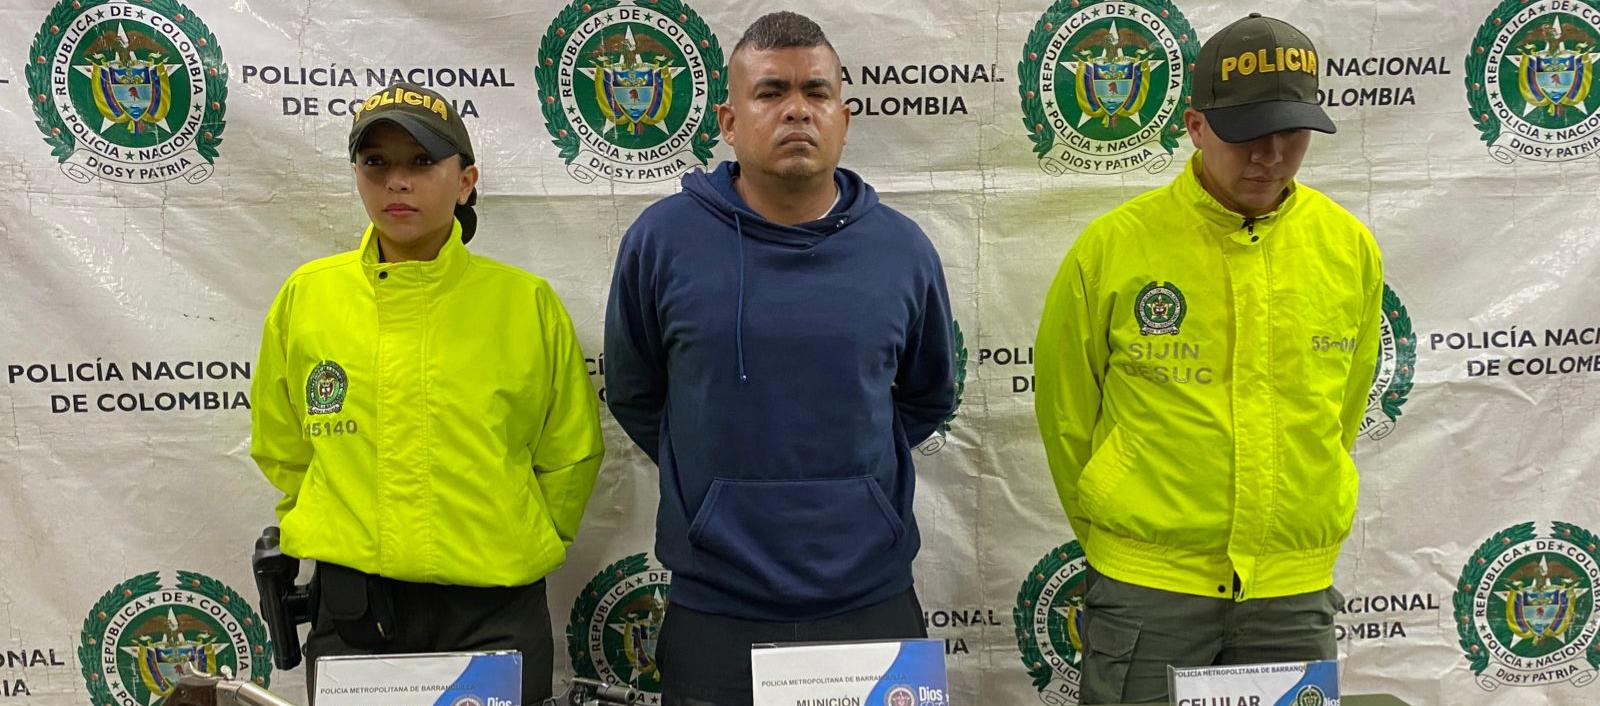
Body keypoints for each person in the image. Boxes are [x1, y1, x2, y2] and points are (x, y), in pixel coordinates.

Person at [603, 11, 957, 706]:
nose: (797, 109)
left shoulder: (902, 250)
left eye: (816, 92)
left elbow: (926, 395)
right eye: (771, 93)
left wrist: (854, 497)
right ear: (731, 123)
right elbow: (637, 393)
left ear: (844, 117)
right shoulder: (662, 241)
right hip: (716, 605)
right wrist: (716, 501)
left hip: (870, 597)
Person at [1033, 14, 1383, 704]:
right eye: (1246, 133)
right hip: (1149, 590)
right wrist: (1125, 529)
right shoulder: (1113, 249)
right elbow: (1067, 416)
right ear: (1194, 126)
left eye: (1291, 133)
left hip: (1292, 590)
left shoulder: (1348, 248)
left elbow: (1344, 407)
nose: (1270, 155)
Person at [249, 82, 604, 703]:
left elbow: (569, 451)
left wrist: (517, 533)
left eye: (421, 162)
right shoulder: (308, 299)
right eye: (376, 163)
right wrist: (339, 525)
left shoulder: (524, 304)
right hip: (356, 612)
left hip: (494, 608)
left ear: (466, 180)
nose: (397, 182)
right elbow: (283, 445)